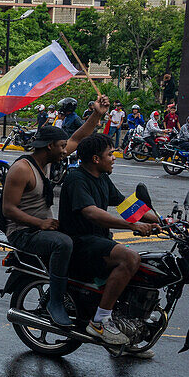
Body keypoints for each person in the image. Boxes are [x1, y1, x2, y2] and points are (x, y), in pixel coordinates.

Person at [0, 98, 109, 327]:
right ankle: (55, 302)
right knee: (63, 243)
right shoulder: (21, 169)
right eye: (61, 146)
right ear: (50, 147)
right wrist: (41, 224)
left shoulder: (46, 161)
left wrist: (96, 115)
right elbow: (8, 209)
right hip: (23, 231)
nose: (65, 151)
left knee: (91, 237)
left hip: (41, 227)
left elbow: (77, 138)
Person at [58, 133, 161, 349]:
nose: (114, 157)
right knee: (129, 258)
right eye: (110, 154)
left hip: (99, 240)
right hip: (81, 243)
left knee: (146, 267)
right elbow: (91, 213)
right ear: (96, 159)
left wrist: (163, 220)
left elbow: (125, 205)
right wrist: (132, 226)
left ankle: (128, 328)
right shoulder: (76, 179)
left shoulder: (102, 177)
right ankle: (100, 322)